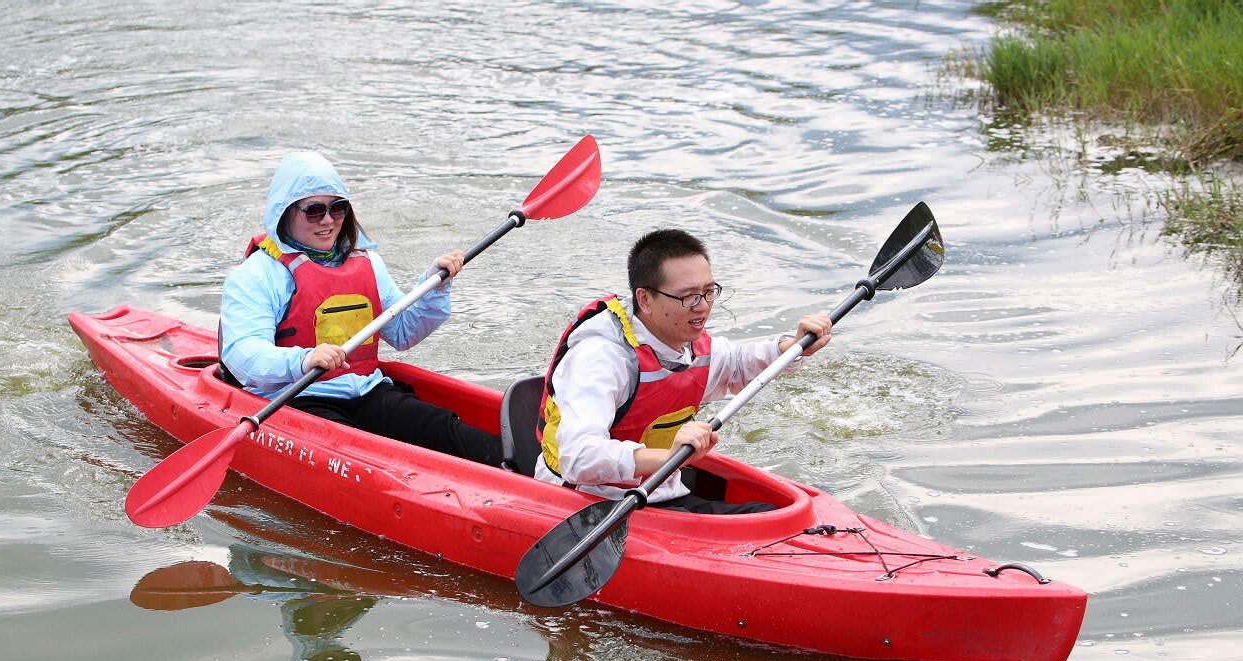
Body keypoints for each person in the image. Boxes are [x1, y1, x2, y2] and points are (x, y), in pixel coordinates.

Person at [218, 151, 503, 467]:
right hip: (294, 400)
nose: (328, 220)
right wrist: (302, 360)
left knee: (445, 428)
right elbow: (242, 353)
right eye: (314, 211)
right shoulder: (257, 274)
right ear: (284, 214)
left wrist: (434, 286)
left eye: (337, 208)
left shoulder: (367, 263)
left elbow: (404, 332)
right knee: (360, 454)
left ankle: (528, 472)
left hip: (366, 390)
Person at [534, 228, 832, 513]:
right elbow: (579, 457)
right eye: (689, 297)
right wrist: (667, 457)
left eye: (708, 292)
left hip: (656, 493)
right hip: (588, 502)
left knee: (773, 515)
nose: (702, 307)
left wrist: (793, 347)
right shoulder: (601, 357)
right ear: (644, 299)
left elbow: (737, 365)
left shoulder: (686, 343)